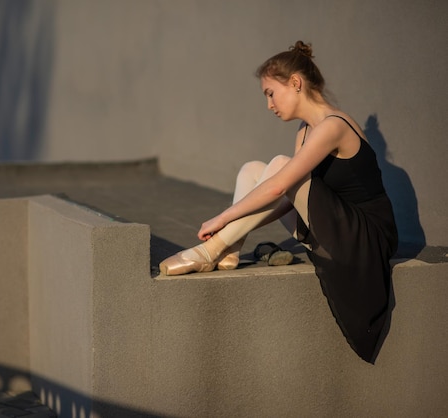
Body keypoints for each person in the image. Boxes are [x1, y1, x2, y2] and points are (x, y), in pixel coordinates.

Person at [159, 41, 398, 363]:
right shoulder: (305, 131)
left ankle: (211, 250)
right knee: (253, 170)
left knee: (279, 167)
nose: (269, 104)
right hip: (331, 225)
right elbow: (289, 197)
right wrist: (237, 224)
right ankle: (230, 249)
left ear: (296, 83)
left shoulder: (333, 126)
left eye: (271, 93)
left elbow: (280, 187)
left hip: (364, 238)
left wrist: (221, 220)